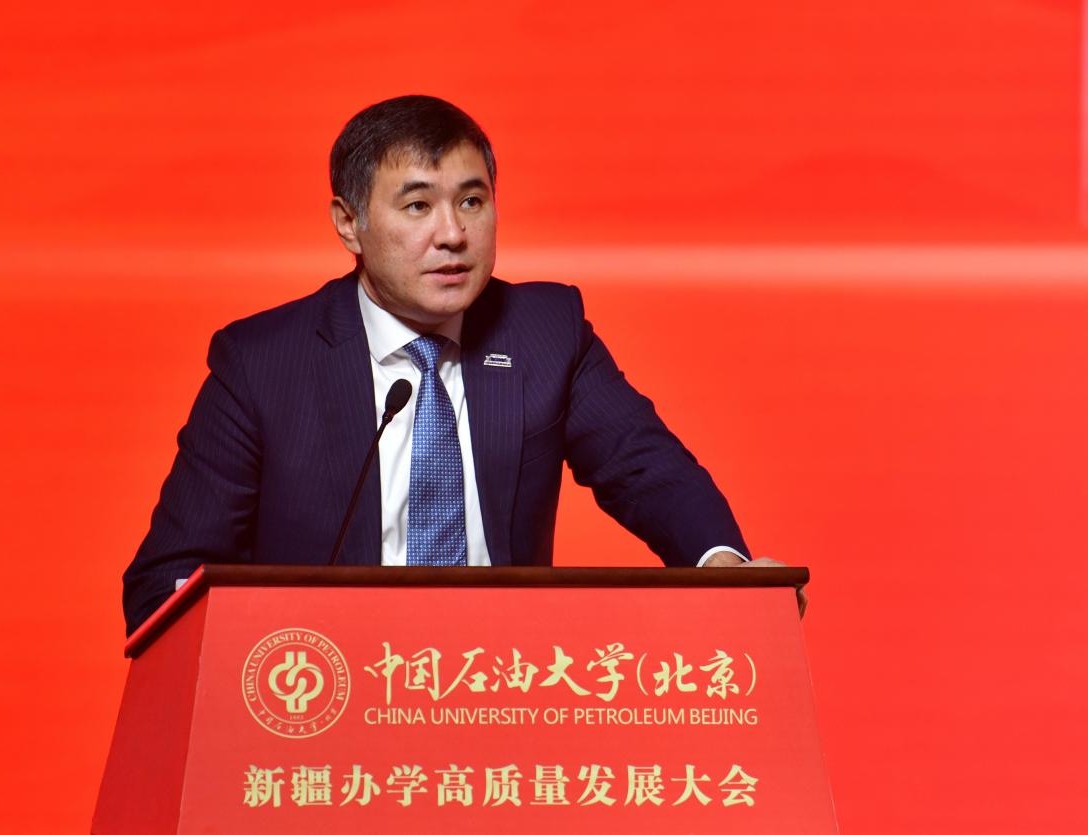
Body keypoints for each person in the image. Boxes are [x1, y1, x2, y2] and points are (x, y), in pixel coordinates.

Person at [122, 94, 787, 637]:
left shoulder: (545, 332)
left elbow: (644, 465)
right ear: (349, 224)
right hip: (325, 694)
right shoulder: (264, 363)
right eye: (417, 206)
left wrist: (721, 563)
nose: (453, 234)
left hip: (498, 689)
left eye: (472, 201)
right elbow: (165, 581)